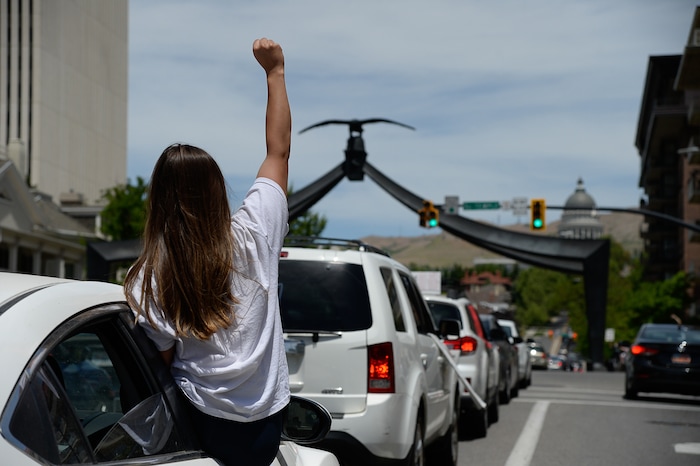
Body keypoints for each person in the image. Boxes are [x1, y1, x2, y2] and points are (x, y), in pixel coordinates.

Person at [123, 37, 291, 466]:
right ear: (218, 192)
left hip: (202, 425)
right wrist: (275, 73)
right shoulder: (256, 233)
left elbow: (158, 368)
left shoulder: (150, 276)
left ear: (159, 202)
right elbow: (278, 151)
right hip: (266, 426)